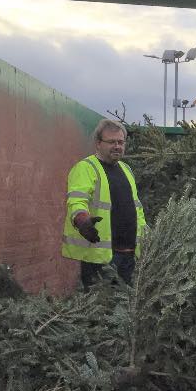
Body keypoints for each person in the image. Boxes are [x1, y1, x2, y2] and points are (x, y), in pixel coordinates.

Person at [62, 119, 145, 287]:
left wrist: (146, 238)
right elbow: (77, 200)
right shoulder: (86, 167)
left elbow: (137, 209)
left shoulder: (126, 170)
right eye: (111, 142)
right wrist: (82, 220)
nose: (117, 146)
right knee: (101, 309)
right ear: (98, 143)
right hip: (101, 258)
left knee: (125, 309)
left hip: (129, 255)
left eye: (121, 142)